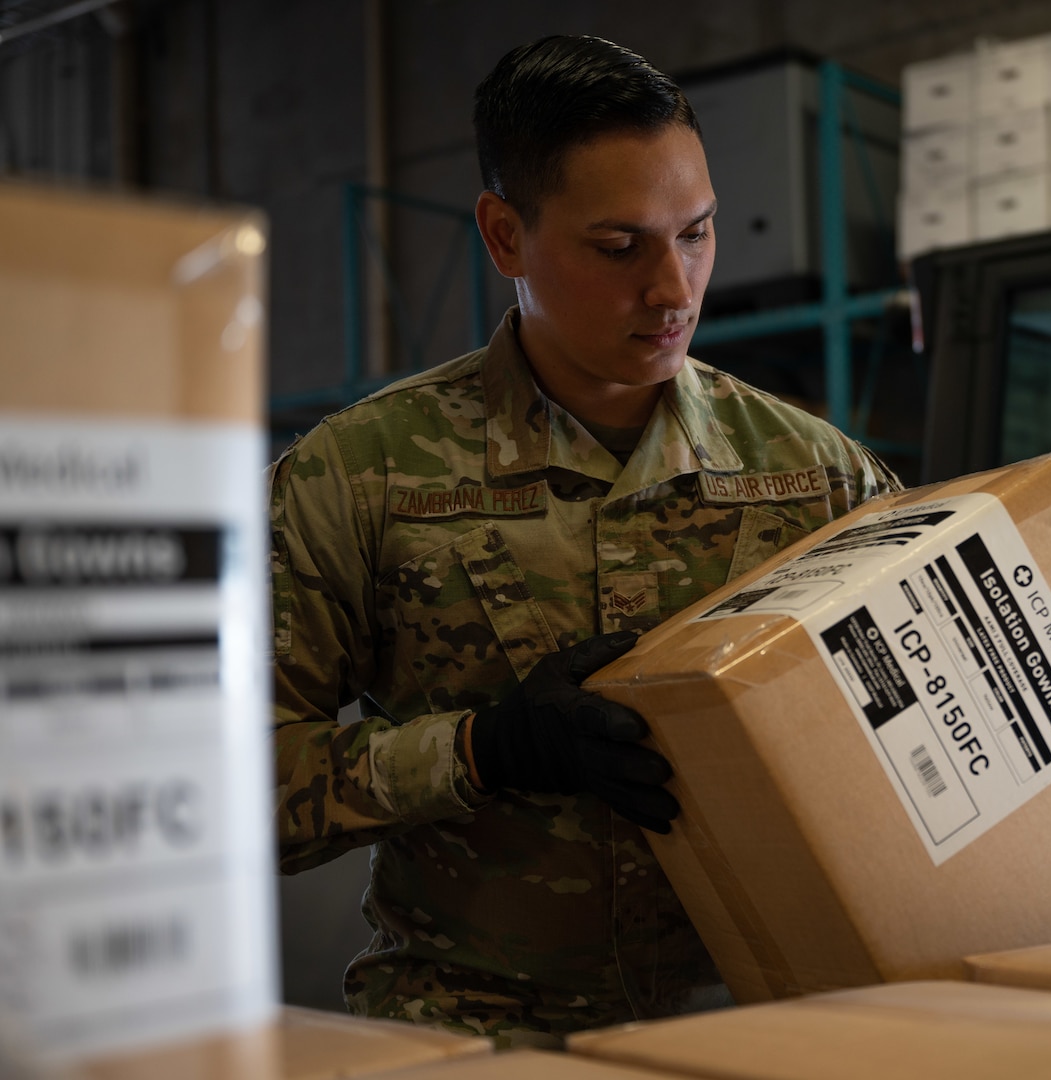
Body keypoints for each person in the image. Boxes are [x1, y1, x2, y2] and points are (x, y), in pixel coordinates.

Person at [269, 34, 900, 1048]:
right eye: (621, 247)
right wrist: (482, 750)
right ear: (505, 235)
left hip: (748, 1023)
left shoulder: (817, 476)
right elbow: (236, 794)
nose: (674, 288)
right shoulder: (364, 478)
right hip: (469, 1029)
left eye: (696, 234)